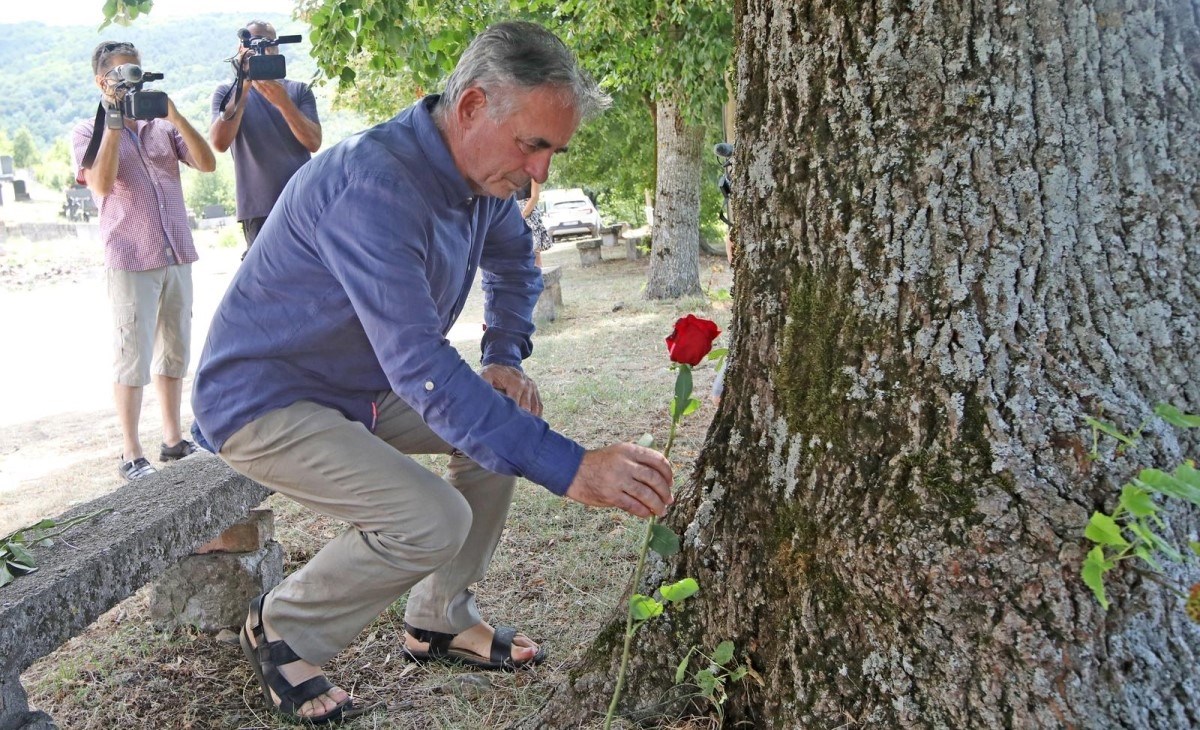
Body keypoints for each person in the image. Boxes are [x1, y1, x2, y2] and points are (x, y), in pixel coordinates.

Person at [191, 21, 674, 723]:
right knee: (430, 517)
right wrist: (575, 469)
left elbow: (513, 262)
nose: (540, 173)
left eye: (552, 151)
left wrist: (503, 357)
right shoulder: (374, 185)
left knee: (504, 427)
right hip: (265, 398)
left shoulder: (482, 180)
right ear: (474, 106)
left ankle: (440, 616)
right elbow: (420, 366)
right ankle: (283, 626)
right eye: (533, 145)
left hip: (365, 385)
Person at [73, 40, 216, 481]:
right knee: (131, 354)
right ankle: (130, 453)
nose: (133, 77)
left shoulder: (160, 126)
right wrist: (114, 123)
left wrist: (173, 113)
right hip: (131, 256)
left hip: (175, 250)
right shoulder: (87, 130)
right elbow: (100, 184)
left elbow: (208, 163)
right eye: (122, 72)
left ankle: (173, 440)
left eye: (137, 70)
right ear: (103, 80)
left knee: (174, 349)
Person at [209, 20, 321, 254]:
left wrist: (283, 102)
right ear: (241, 49)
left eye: (267, 44)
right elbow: (219, 143)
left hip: (303, 202)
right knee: (266, 283)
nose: (261, 50)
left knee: (310, 277)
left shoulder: (298, 90)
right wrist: (244, 86)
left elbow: (314, 142)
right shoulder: (227, 93)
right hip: (257, 210)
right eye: (252, 44)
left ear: (277, 47)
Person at [516, 179, 553, 266]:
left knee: (534, 250)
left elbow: (535, 196)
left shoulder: (533, 175)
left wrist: (522, 215)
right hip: (514, 211)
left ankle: (538, 276)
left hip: (529, 213)